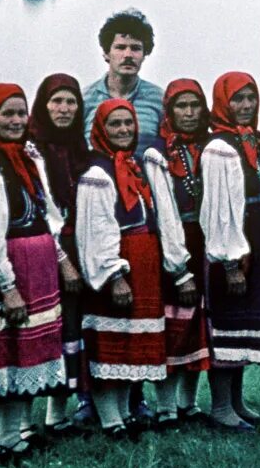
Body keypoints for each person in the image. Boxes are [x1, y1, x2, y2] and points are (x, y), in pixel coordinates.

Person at [0, 83, 68, 465]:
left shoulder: (24, 157)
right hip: (6, 272)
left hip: (36, 268)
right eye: (7, 114)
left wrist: (58, 257)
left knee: (21, 352)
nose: (16, 121)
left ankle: (12, 435)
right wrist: (5, 285)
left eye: (21, 113)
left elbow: (45, 212)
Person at [76, 99, 190, 437]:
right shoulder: (98, 173)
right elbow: (96, 230)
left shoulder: (133, 167)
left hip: (145, 260)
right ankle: (110, 418)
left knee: (130, 342)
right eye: (116, 125)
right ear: (100, 130)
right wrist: (113, 274)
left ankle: (125, 413)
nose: (124, 130)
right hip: (120, 262)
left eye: (129, 123)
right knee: (111, 339)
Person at [200, 72, 260, 430]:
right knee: (229, 321)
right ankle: (221, 406)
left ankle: (237, 402)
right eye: (237, 99)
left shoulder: (256, 142)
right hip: (236, 245)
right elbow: (218, 210)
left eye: (250, 98)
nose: (245, 106)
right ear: (223, 103)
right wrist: (229, 262)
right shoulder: (219, 149)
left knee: (247, 325)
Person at [27, 74, 89, 433]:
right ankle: (34, 411)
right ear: (43, 105)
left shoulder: (78, 146)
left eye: (71, 102)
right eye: (56, 102)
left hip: (79, 240)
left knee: (72, 322)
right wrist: (62, 258)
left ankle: (61, 408)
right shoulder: (33, 148)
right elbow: (41, 204)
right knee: (47, 321)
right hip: (46, 244)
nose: (64, 109)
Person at [150, 79, 214, 423]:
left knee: (201, 322)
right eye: (181, 106)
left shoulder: (214, 146)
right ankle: (165, 406)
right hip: (175, 239)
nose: (189, 113)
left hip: (208, 238)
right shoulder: (159, 153)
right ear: (169, 111)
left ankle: (189, 403)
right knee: (175, 323)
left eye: (195, 106)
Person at [82, 8, 164, 157]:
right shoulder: (85, 99)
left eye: (136, 48)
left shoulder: (159, 100)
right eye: (120, 47)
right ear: (106, 53)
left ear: (144, 54)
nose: (128, 55)